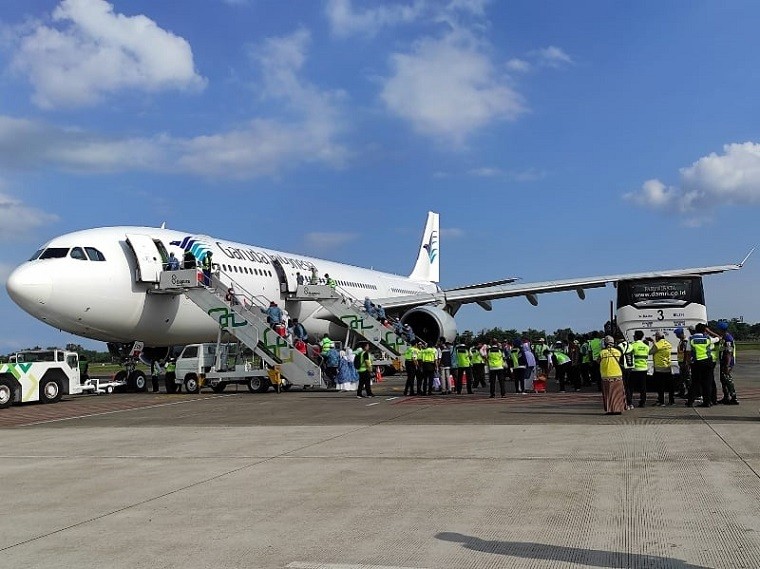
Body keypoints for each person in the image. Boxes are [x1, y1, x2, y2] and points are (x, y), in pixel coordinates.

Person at [687, 323, 720, 407]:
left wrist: (689, 363)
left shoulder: (691, 339)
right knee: (707, 383)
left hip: (696, 362)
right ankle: (707, 402)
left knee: (695, 382)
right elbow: (719, 338)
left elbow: (688, 353)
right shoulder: (708, 338)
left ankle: (690, 401)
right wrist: (709, 331)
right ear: (704, 330)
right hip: (707, 362)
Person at [598, 335, 626, 414]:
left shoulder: (602, 353)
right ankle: (618, 409)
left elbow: (598, 361)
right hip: (617, 374)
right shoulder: (618, 352)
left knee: (608, 394)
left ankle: (610, 410)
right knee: (617, 393)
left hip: (606, 375)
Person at [716, 321, 739, 405]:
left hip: (727, 363)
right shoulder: (724, 337)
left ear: (721, 329)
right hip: (723, 362)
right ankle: (726, 397)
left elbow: (729, 353)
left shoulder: (728, 339)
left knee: (728, 380)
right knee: (723, 380)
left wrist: (727, 365)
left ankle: (733, 397)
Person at [650, 331, 674, 406]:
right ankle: (671, 401)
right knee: (670, 386)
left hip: (659, 368)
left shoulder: (657, 345)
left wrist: (652, 342)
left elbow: (650, 352)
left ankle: (661, 401)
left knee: (660, 386)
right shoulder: (668, 344)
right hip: (668, 367)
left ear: (657, 337)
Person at [630, 331, 650, 407]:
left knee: (631, 386)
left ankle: (629, 401)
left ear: (635, 336)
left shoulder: (632, 345)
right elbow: (649, 352)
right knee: (643, 387)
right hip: (644, 369)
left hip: (634, 369)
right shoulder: (645, 346)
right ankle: (643, 401)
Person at [674, 327, 691, 399]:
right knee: (682, 379)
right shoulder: (681, 341)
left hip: (684, 363)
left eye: (677, 334)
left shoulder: (685, 342)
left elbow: (686, 353)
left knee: (687, 378)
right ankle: (682, 392)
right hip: (681, 362)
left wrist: (686, 363)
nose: (676, 336)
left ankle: (689, 392)